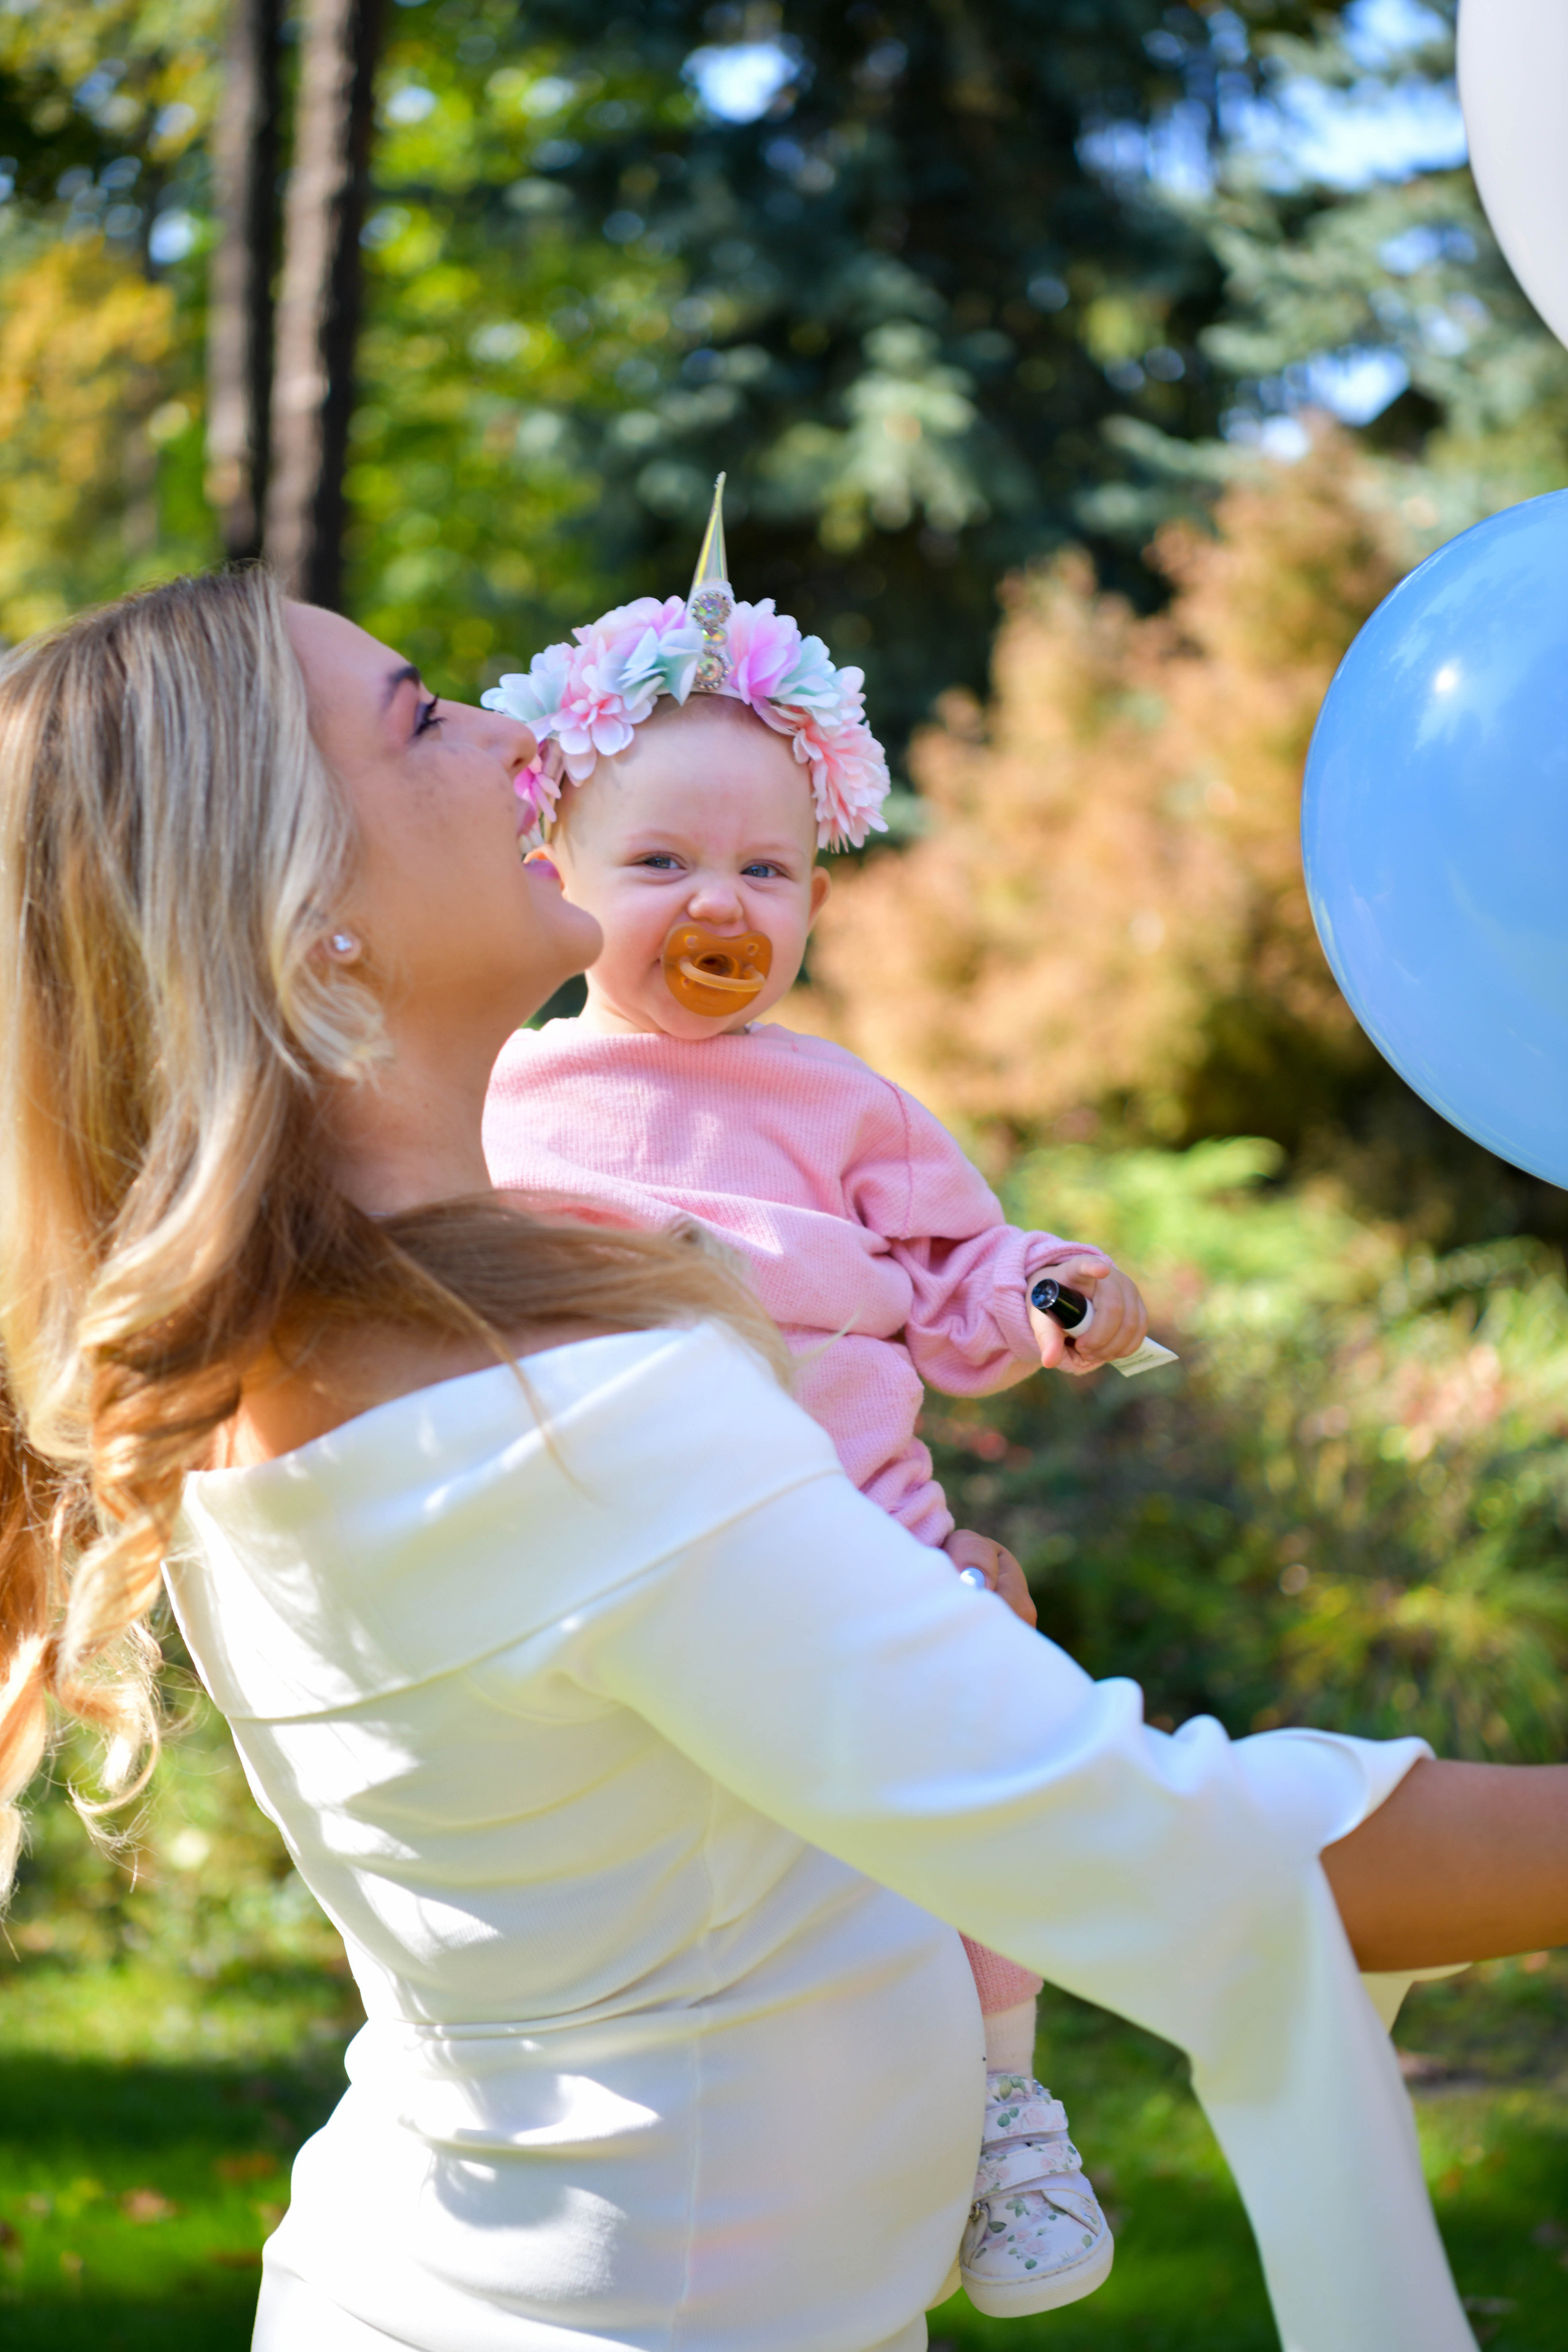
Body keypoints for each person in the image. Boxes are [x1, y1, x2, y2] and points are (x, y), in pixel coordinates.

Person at [1, 568, 1565, 2352]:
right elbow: (1182, 1857)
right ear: (305, 913)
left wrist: (901, 1654)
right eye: (423, 721)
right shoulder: (565, 1422)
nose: (520, 743)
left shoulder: (297, 1343)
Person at [480, 480, 1162, 2316]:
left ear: (816, 897)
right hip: (653, 1557)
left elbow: (960, 1283)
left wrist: (1056, 1294)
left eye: (766, 873)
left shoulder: (843, 1104)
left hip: (872, 1539)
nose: (721, 903)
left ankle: (1009, 2109)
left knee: (993, 1772)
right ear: (554, 875)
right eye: (662, 866)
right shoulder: (512, 1096)